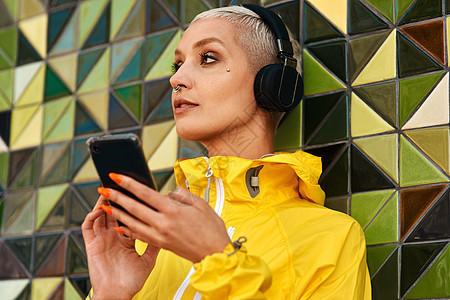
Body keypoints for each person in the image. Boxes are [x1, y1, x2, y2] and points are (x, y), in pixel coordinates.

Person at [82, 5, 371, 299]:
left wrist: (217, 260)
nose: (176, 79)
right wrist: (110, 294)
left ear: (273, 84)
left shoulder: (330, 239)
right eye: (177, 64)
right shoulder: (145, 243)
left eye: (208, 58)